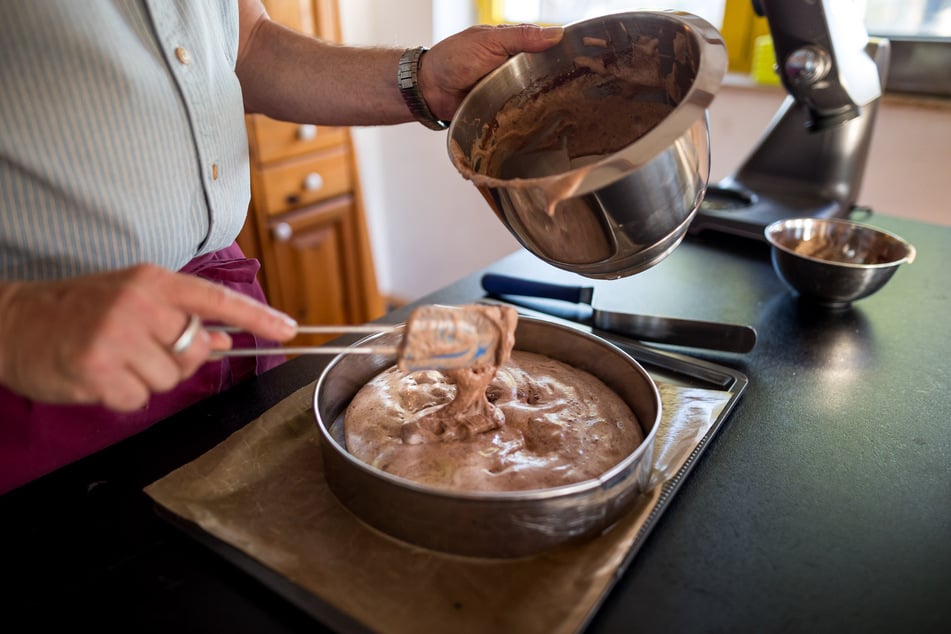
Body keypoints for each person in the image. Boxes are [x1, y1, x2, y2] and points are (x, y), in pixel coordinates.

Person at [0, 0, 564, 494]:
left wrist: (423, 78)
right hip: (51, 364)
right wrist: (16, 320)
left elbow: (247, 43)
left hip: (223, 314)